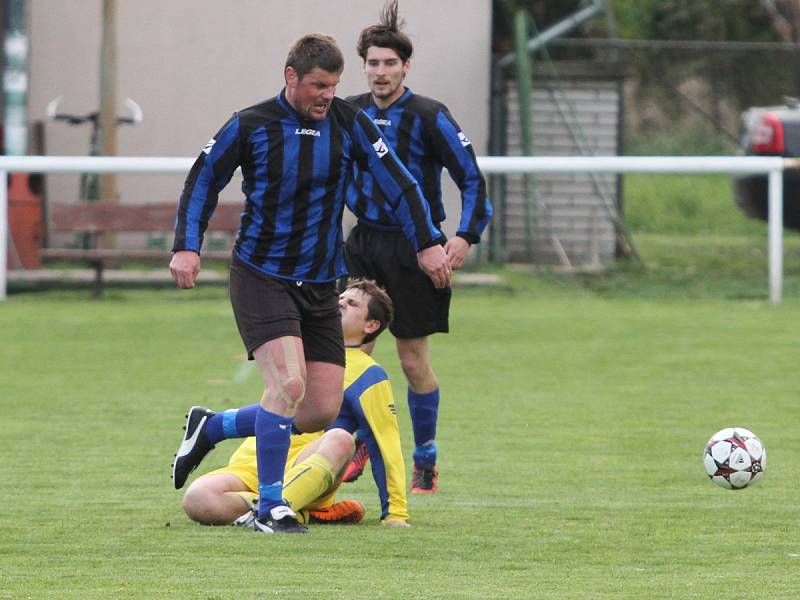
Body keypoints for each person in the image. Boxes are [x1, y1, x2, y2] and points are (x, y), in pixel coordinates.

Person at [169, 33, 451, 534]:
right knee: (289, 385)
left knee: (319, 408)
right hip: (263, 275)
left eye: (335, 86)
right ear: (291, 78)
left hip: (322, 281)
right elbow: (202, 179)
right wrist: (187, 245)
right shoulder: (251, 124)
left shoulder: (350, 124)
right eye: (319, 85)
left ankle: (213, 426)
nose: (327, 95)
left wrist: (428, 241)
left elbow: (400, 182)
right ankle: (272, 506)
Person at [342, 2, 493, 493]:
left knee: (411, 361)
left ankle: (425, 454)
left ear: (406, 66)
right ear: (363, 66)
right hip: (363, 244)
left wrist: (464, 236)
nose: (380, 72)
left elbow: (471, 178)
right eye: (373, 63)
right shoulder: (350, 113)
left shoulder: (430, 115)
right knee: (350, 355)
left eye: (390, 63)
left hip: (415, 250)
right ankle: (354, 446)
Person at [180, 279, 410, 528]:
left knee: (342, 439)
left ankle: (276, 508)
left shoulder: (369, 374)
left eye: (352, 303)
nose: (341, 303)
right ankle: (281, 509)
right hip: (254, 464)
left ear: (371, 324)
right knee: (197, 499)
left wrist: (395, 514)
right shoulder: (300, 349)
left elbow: (386, 442)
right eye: (340, 298)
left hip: (306, 465)